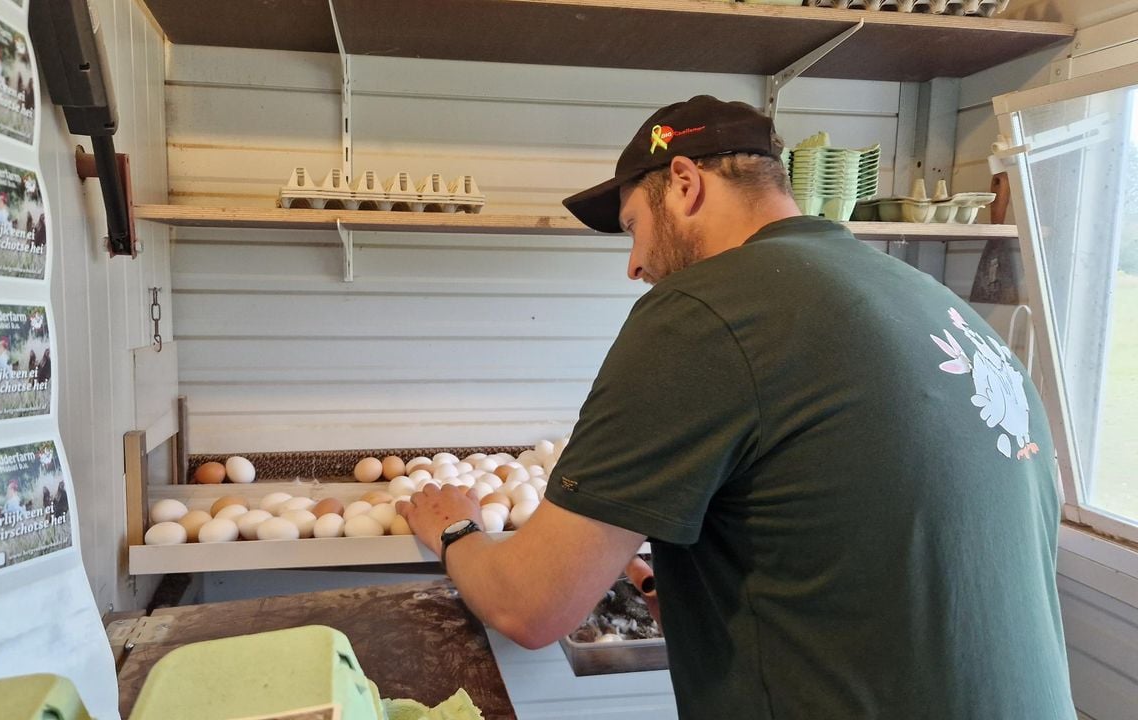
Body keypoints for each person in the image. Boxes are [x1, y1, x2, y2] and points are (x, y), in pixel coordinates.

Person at [397, 95, 1075, 719]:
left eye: (633, 226)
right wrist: (680, 581)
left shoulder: (704, 309)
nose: (633, 265)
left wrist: (457, 531)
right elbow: (870, 543)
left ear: (686, 185)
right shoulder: (932, 304)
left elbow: (529, 606)